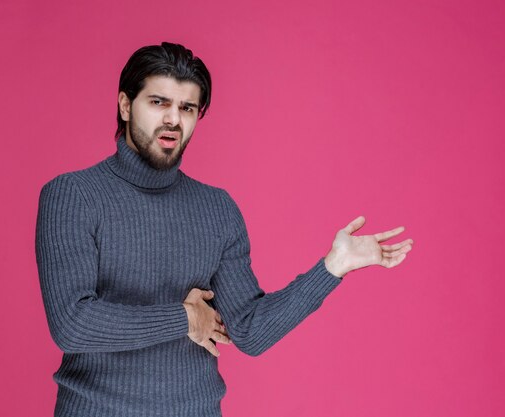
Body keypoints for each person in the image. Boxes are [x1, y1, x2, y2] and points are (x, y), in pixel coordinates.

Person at [35, 42, 413, 417]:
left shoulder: (216, 209)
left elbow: (248, 330)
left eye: (187, 108)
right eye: (158, 103)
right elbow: (73, 324)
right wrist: (184, 318)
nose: (173, 119)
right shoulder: (73, 195)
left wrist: (332, 268)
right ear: (124, 105)